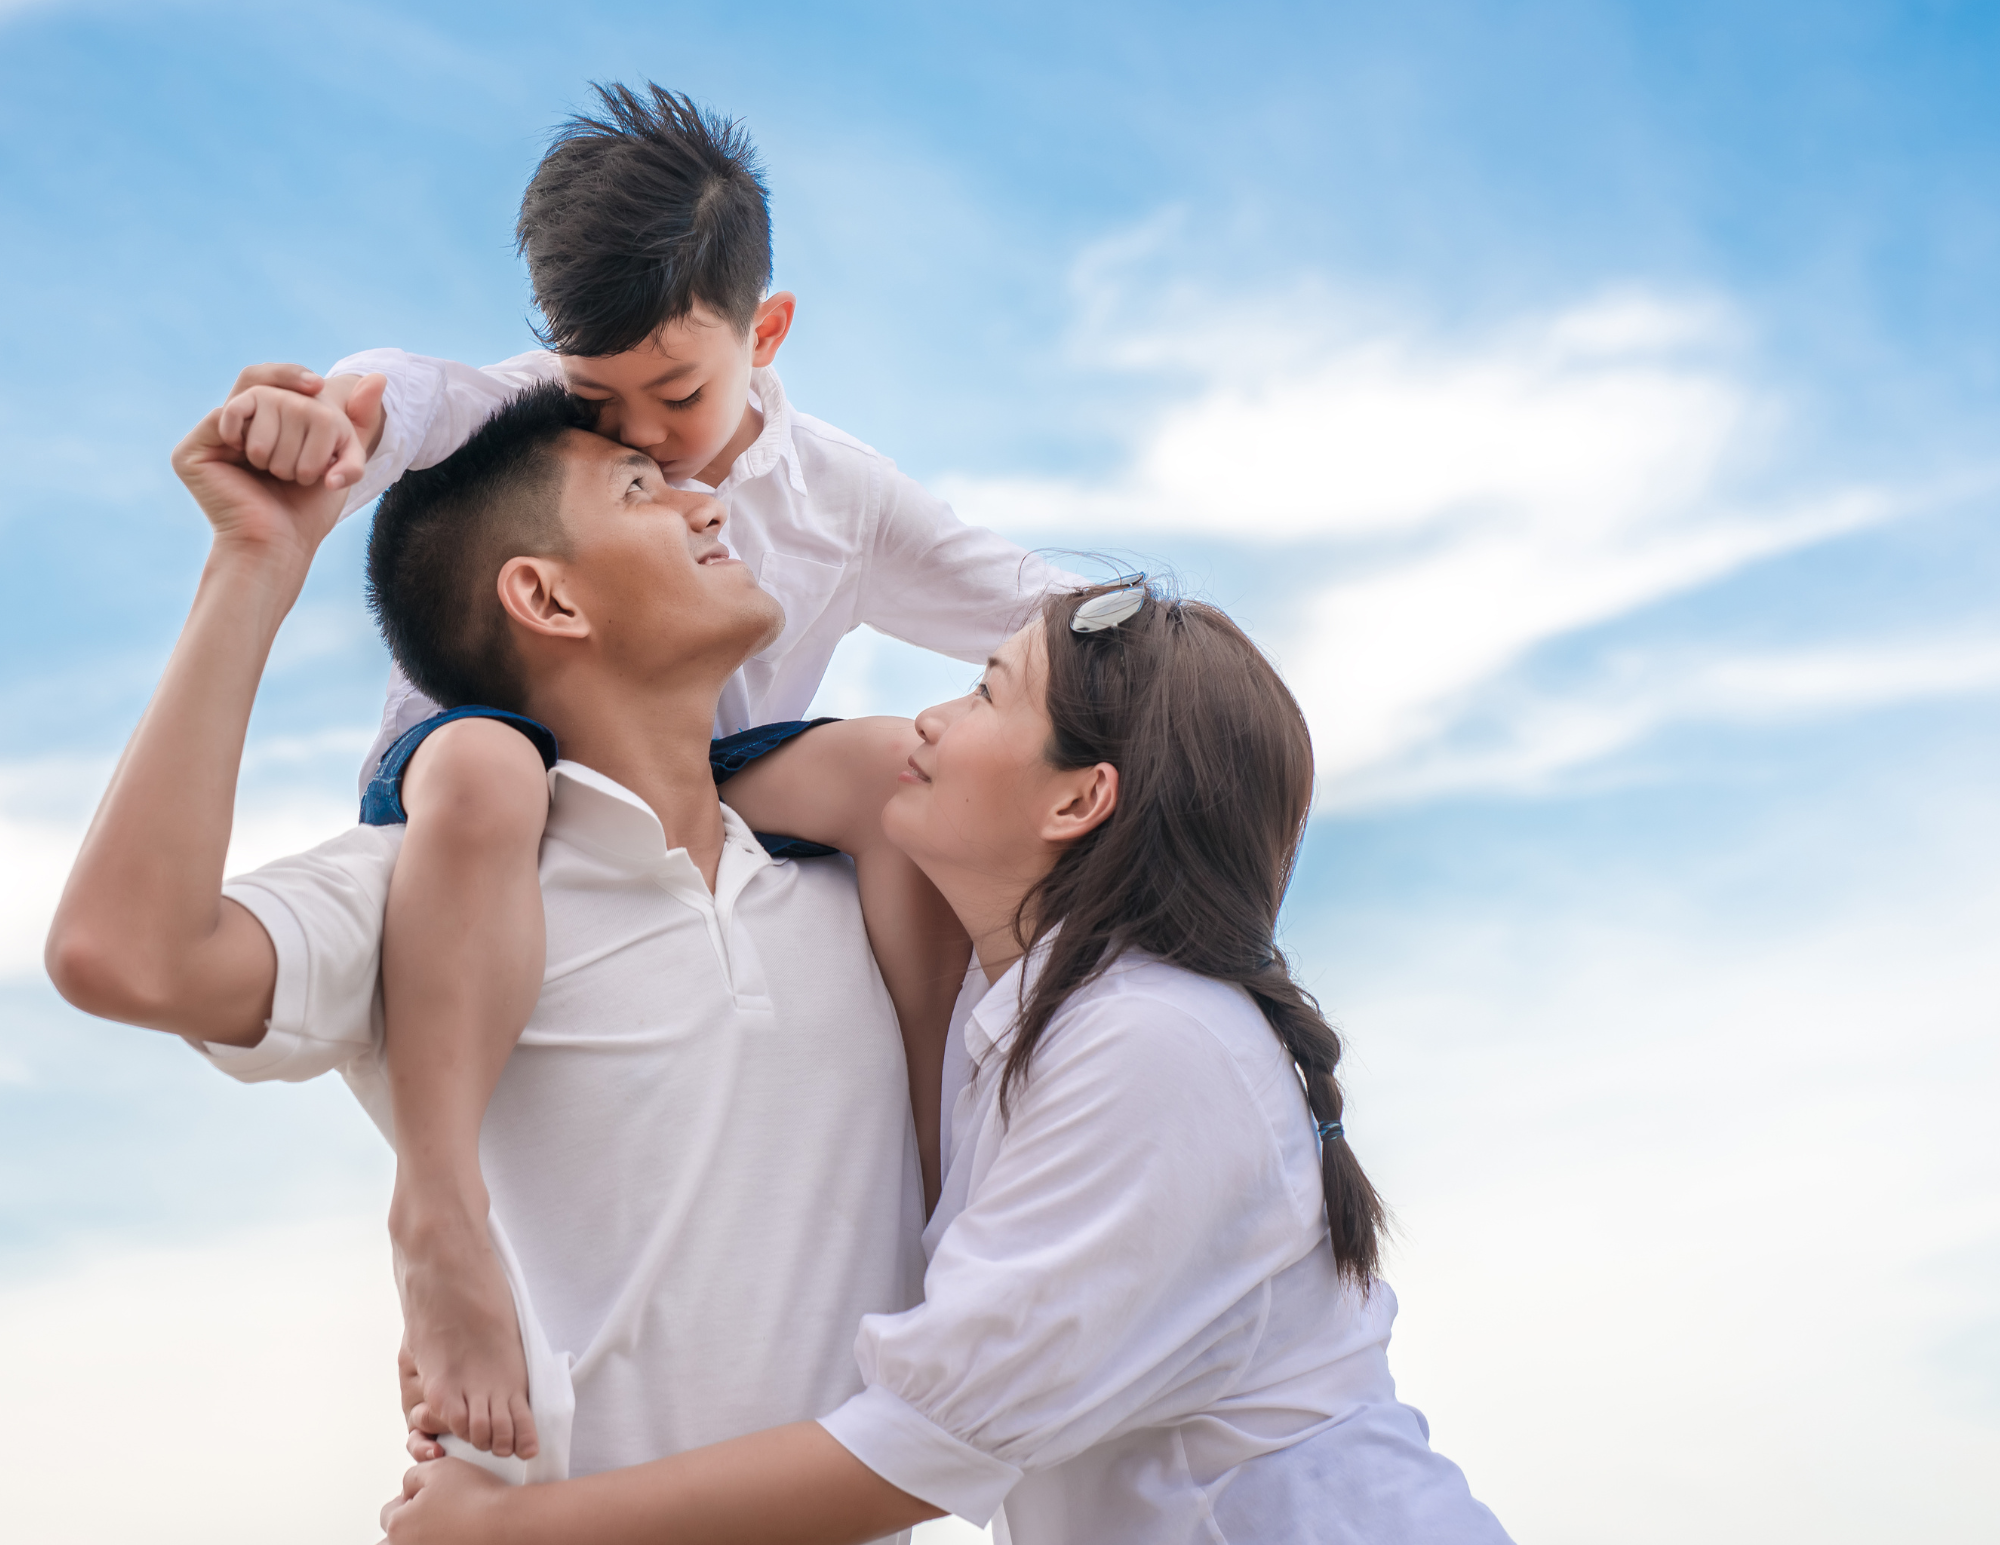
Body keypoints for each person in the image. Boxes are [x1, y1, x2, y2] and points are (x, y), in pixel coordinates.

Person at [219, 81, 1066, 1459]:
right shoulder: (540, 418)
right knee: (496, 769)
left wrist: (1157, 637)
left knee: (887, 778)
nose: (645, 440)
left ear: (767, 332)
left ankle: (938, 1184)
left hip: (705, 779)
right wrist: (323, 417)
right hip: (481, 763)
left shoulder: (839, 494)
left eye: (677, 393)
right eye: (599, 398)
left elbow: (1011, 596)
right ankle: (437, 1209)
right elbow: (406, 389)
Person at [379, 581, 1517, 1544]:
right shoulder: (1032, 1013)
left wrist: (510, 1527)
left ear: (1079, 797)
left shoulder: (1151, 1045)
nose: (926, 717)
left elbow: (917, 1449)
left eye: (983, 693)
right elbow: (689, 790)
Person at [45, 379, 945, 1525]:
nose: (706, 507)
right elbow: (122, 953)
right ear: (545, 597)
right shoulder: (436, 892)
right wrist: (255, 563)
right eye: (640, 490)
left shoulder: (851, 880)